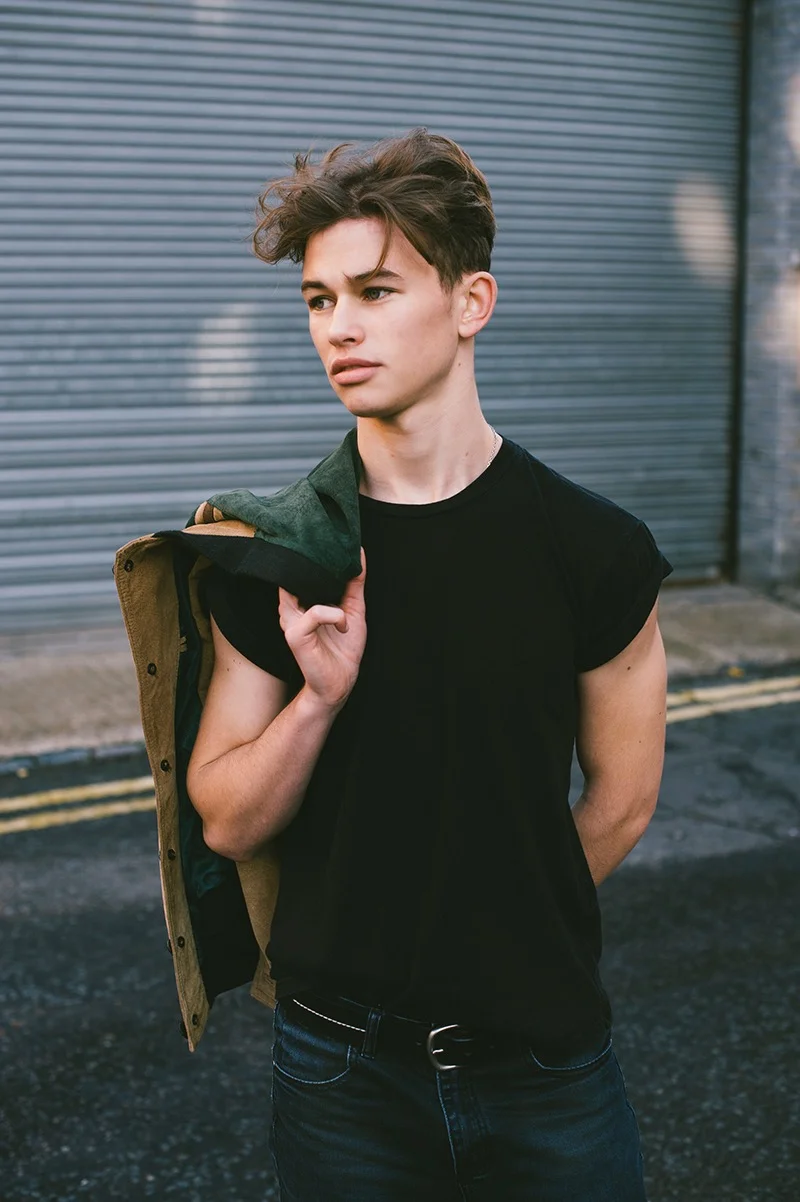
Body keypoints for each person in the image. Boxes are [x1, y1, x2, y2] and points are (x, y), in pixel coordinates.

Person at [186, 128, 672, 1201]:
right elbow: (224, 819)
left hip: (545, 1060)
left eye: (374, 290)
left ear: (469, 302)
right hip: (339, 1072)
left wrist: (494, 930)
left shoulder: (593, 550)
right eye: (318, 300)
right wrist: (315, 703)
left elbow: (625, 798)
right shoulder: (277, 553)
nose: (339, 327)